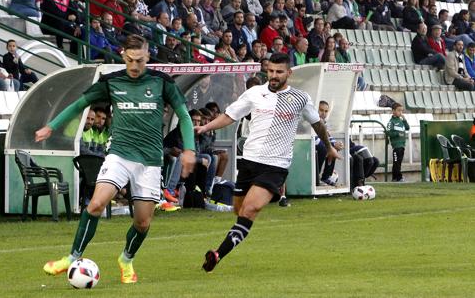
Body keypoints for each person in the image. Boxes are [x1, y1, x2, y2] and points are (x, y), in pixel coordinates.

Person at [38, 35, 196, 283]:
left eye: (140, 61)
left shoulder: (161, 82)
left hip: (150, 161)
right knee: (96, 204)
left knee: (142, 223)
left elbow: (184, 116)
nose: (135, 66)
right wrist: (51, 126)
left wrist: (190, 150)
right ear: (123, 56)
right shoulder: (111, 82)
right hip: (119, 154)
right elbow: (80, 104)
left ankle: (126, 259)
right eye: (131, 60)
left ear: (147, 57)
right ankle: (72, 257)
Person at [196, 53, 339, 272]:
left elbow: (317, 124)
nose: (273, 76)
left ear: (288, 73)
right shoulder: (254, 93)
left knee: (250, 209)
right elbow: (230, 115)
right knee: (239, 210)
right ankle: (236, 234)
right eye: (270, 71)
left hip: (275, 166)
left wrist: (328, 146)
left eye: (279, 72)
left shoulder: (300, 98)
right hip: (249, 162)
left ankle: (217, 254)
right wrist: (205, 128)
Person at [387, 103, 409, 182]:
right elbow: (389, 132)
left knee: (399, 161)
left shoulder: (400, 120)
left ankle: (395, 178)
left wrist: (405, 119)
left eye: (401, 111)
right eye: (398, 110)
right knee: (396, 162)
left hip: (402, 145)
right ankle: (398, 177)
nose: (400, 112)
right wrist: (397, 133)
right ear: (393, 111)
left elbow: (407, 127)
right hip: (396, 145)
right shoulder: (391, 122)